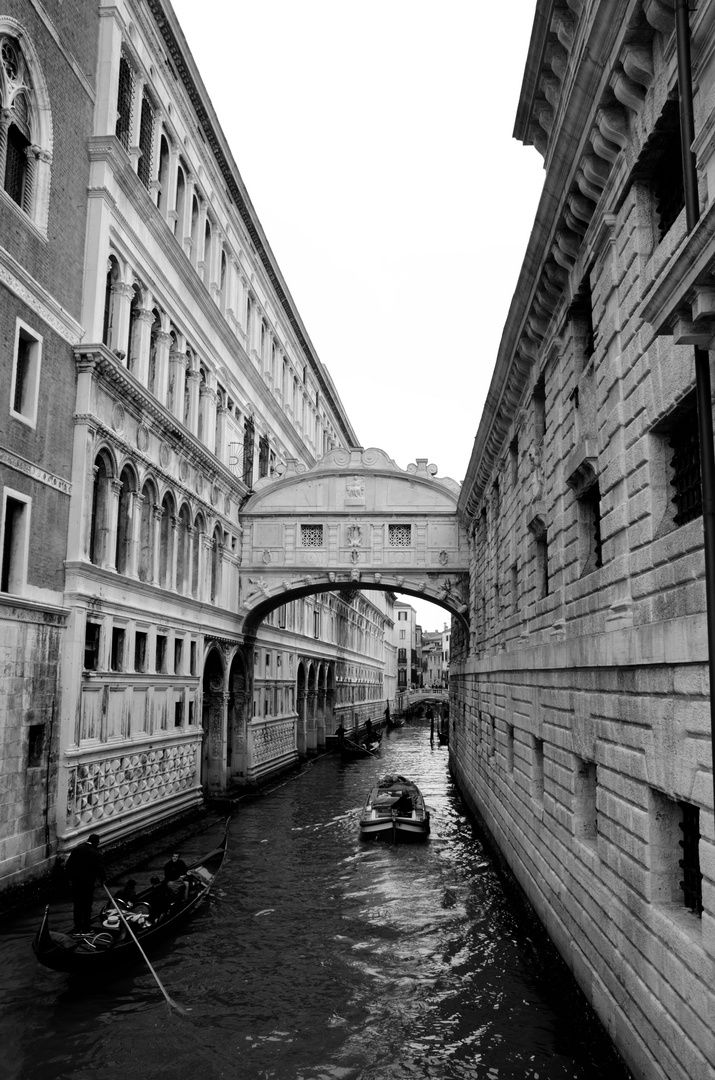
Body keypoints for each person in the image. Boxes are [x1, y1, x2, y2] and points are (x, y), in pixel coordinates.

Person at [65, 833, 106, 935]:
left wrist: (69, 879)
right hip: (88, 884)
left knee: (77, 906)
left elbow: (68, 866)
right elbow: (100, 869)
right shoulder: (96, 853)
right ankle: (86, 928)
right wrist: (102, 879)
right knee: (87, 906)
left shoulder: (76, 850)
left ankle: (77, 928)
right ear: (96, 843)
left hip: (76, 883)